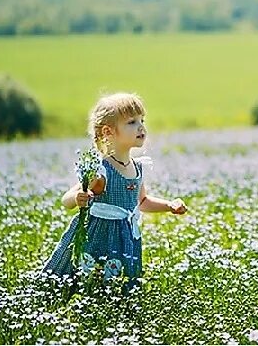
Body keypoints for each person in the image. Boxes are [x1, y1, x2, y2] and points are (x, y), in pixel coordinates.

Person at [40, 92, 187, 293]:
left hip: (126, 237)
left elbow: (142, 201)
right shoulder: (102, 169)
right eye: (131, 122)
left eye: (142, 120)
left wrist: (169, 206)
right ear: (108, 132)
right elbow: (66, 200)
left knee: (122, 286)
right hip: (100, 236)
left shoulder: (137, 167)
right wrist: (76, 198)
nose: (141, 127)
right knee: (94, 282)